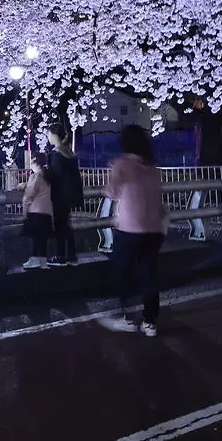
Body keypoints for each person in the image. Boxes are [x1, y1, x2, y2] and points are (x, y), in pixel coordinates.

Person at [99, 125, 167, 337]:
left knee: (121, 271)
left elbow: (110, 192)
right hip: (154, 229)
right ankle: (150, 323)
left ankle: (127, 317)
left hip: (129, 228)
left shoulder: (122, 164)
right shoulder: (152, 168)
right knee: (149, 275)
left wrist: (112, 173)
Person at [45, 121, 83, 265]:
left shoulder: (56, 154)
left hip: (59, 195)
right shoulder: (69, 152)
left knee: (60, 225)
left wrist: (39, 174)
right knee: (66, 225)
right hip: (70, 195)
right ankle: (71, 254)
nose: (48, 136)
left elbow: (54, 175)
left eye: (48, 133)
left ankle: (60, 255)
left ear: (54, 135)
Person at [21, 153, 54, 269]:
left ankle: (34, 259)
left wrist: (24, 211)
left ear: (36, 164)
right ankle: (43, 261)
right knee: (43, 237)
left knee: (35, 237)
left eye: (32, 162)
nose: (31, 165)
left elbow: (28, 196)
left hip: (35, 211)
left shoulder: (35, 177)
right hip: (47, 211)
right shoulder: (48, 177)